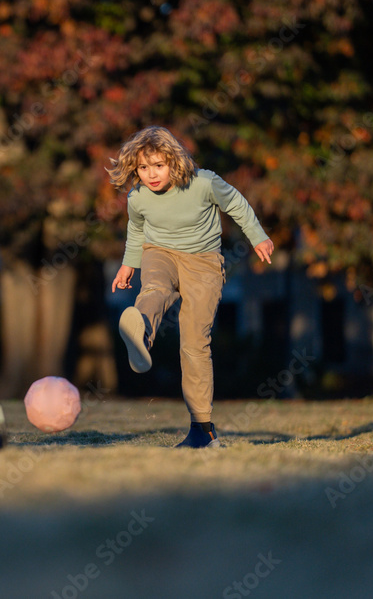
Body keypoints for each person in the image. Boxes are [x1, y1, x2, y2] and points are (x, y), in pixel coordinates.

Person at [107, 126, 274, 448]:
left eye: (158, 165)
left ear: (174, 160)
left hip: (204, 262)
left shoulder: (204, 183)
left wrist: (258, 237)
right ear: (135, 169)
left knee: (195, 342)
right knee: (155, 288)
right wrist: (129, 265)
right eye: (143, 168)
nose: (151, 175)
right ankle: (140, 330)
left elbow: (237, 204)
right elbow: (137, 231)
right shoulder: (137, 197)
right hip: (160, 253)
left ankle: (202, 429)